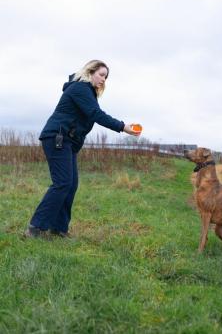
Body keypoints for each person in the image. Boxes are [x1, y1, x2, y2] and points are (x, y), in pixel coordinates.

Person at [25, 59, 141, 238]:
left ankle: (59, 229)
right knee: (62, 183)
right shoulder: (80, 88)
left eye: (106, 77)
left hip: (67, 141)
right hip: (58, 137)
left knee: (70, 185)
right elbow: (96, 114)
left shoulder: (88, 93)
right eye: (101, 75)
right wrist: (122, 126)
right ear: (90, 72)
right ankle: (35, 227)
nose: (103, 80)